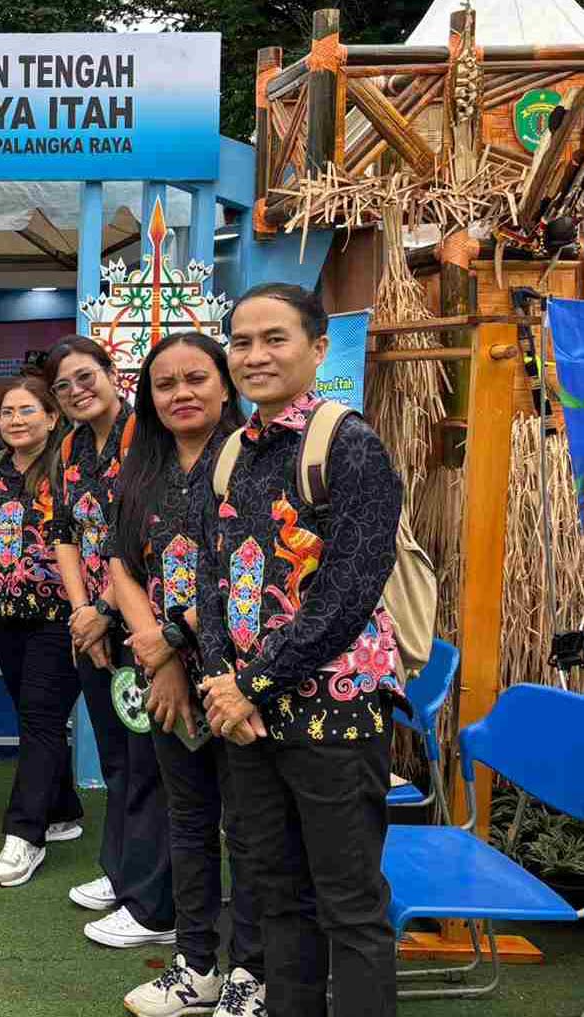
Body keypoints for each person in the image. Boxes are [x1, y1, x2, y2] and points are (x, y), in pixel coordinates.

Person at [197, 284, 403, 1017]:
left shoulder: (349, 446)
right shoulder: (232, 451)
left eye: (274, 338)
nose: (255, 355)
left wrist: (247, 685)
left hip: (333, 714)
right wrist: (220, 681)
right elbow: (210, 578)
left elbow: (347, 595)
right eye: (241, 341)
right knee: (274, 894)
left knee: (350, 904)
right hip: (246, 719)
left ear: (318, 349)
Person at [107, 334, 267, 1015]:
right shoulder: (141, 471)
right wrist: (161, 655)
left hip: (245, 681)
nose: (181, 393)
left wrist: (172, 645)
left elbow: (243, 573)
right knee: (189, 819)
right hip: (166, 677)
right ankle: (195, 965)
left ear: (227, 384)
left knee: (251, 830)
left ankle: (252, 973)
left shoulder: (253, 462)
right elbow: (119, 565)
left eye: (196, 377)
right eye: (165, 383)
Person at [49, 335, 176, 948]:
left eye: (85, 376)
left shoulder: (149, 437)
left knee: (152, 762)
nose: (77, 391)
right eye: (63, 386)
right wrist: (82, 611)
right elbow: (64, 532)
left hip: (149, 624)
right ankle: (123, 870)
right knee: (117, 757)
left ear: (110, 371)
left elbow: (153, 534)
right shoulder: (70, 446)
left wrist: (105, 611)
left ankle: (155, 905)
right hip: (93, 624)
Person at [0, 378, 87, 886]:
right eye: (6, 412)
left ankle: (24, 835)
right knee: (33, 716)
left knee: (42, 717)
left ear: (51, 417)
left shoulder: (70, 470)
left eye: (27, 410)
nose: (15, 420)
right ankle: (63, 810)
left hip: (58, 617)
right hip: (6, 614)